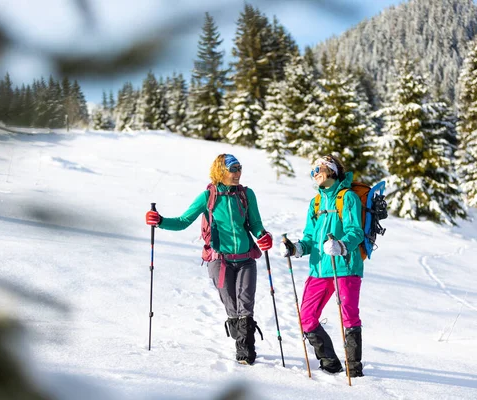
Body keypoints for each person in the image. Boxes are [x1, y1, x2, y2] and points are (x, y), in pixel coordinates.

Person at [145, 153, 273, 365]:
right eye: (233, 169)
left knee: (246, 304)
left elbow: (256, 224)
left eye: (239, 168)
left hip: (246, 258)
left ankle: (245, 351)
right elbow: (183, 221)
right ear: (220, 171)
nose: (237, 173)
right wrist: (159, 221)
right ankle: (239, 336)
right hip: (219, 260)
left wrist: (263, 236)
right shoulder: (208, 197)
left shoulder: (246, 194)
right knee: (231, 304)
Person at [279, 154, 365, 377]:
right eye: (312, 170)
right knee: (306, 317)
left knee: (349, 316)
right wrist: (296, 248)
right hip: (319, 268)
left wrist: (342, 245)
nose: (315, 172)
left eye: (319, 168)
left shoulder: (348, 198)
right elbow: (310, 237)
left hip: (345, 265)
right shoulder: (315, 202)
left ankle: (354, 369)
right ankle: (330, 362)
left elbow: (356, 231)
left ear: (333, 170)